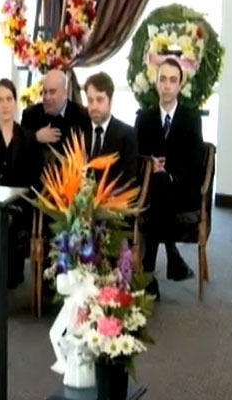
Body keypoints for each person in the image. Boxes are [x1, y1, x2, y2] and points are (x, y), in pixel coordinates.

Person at [135, 58, 203, 299]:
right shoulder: (144, 117)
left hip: (181, 189)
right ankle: (172, 257)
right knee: (158, 185)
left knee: (162, 184)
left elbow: (195, 160)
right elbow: (136, 154)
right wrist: (149, 164)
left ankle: (149, 270)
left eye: (173, 80)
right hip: (152, 189)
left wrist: (169, 173)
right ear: (156, 83)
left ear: (180, 85)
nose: (167, 85)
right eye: (162, 79)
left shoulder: (191, 118)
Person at [0, 79, 36, 288]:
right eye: (0, 100)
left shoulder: (27, 137)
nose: (5, 104)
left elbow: (33, 179)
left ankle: (8, 274)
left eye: (9, 99)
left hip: (20, 203)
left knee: (12, 222)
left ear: (15, 102)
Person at [21, 69, 89, 186]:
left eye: (52, 92)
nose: (47, 97)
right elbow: (19, 149)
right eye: (44, 92)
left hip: (71, 186)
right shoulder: (30, 115)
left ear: (65, 93)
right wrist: (36, 137)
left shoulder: (82, 116)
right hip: (35, 186)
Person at [83, 72, 137, 186]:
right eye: (90, 100)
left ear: (111, 100)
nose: (94, 107)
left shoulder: (127, 135)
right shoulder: (79, 131)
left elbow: (129, 181)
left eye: (100, 100)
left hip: (111, 196)